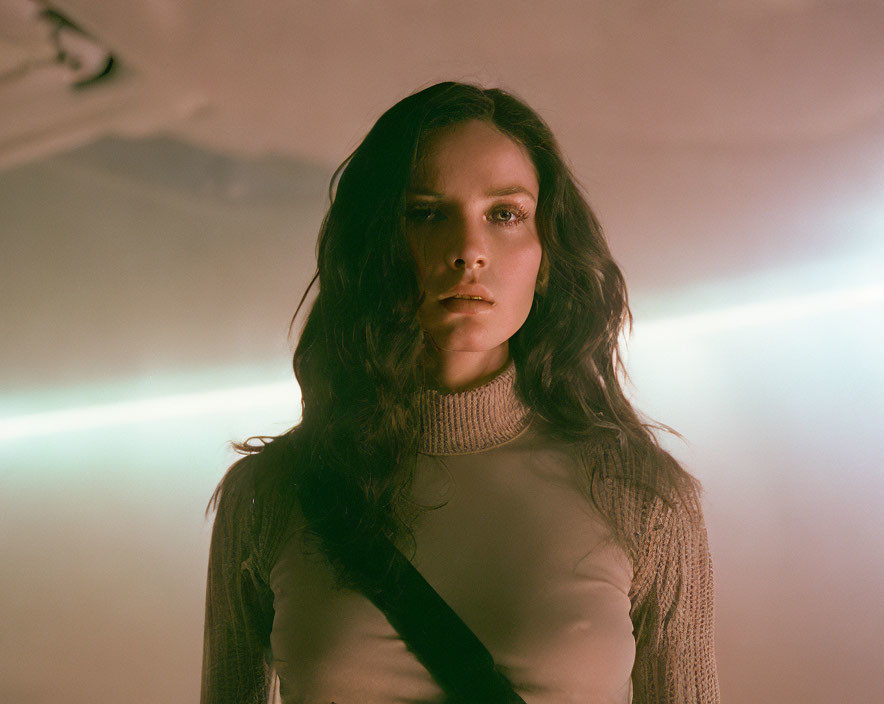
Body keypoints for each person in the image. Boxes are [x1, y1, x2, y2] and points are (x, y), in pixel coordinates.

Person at [201, 81, 720, 703]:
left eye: (504, 214)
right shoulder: (271, 495)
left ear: (546, 252)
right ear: (376, 247)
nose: (468, 251)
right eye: (425, 213)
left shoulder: (644, 498)